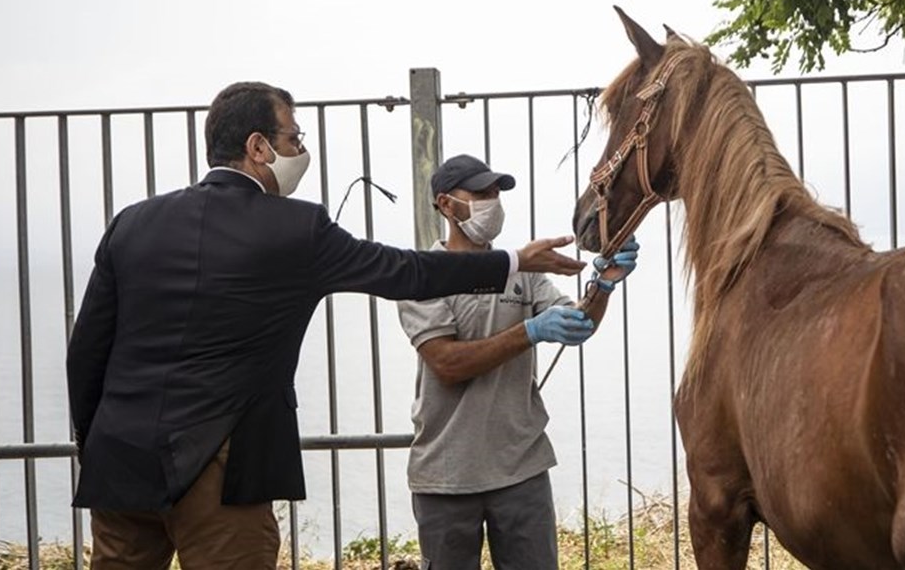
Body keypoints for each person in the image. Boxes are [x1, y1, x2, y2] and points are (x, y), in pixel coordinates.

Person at [65, 82, 587, 570]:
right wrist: (513, 262)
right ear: (258, 147)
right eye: (293, 137)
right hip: (219, 468)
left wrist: (98, 442)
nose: (299, 150)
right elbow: (407, 271)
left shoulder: (132, 222)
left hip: (119, 463)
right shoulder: (295, 228)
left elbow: (87, 350)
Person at [396, 153, 639, 570]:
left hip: (521, 467)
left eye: (495, 193)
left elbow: (579, 323)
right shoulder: (422, 276)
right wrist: (529, 331)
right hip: (446, 474)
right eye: (480, 193)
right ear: (446, 204)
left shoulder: (523, 273)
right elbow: (448, 364)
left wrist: (602, 286)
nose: (492, 202)